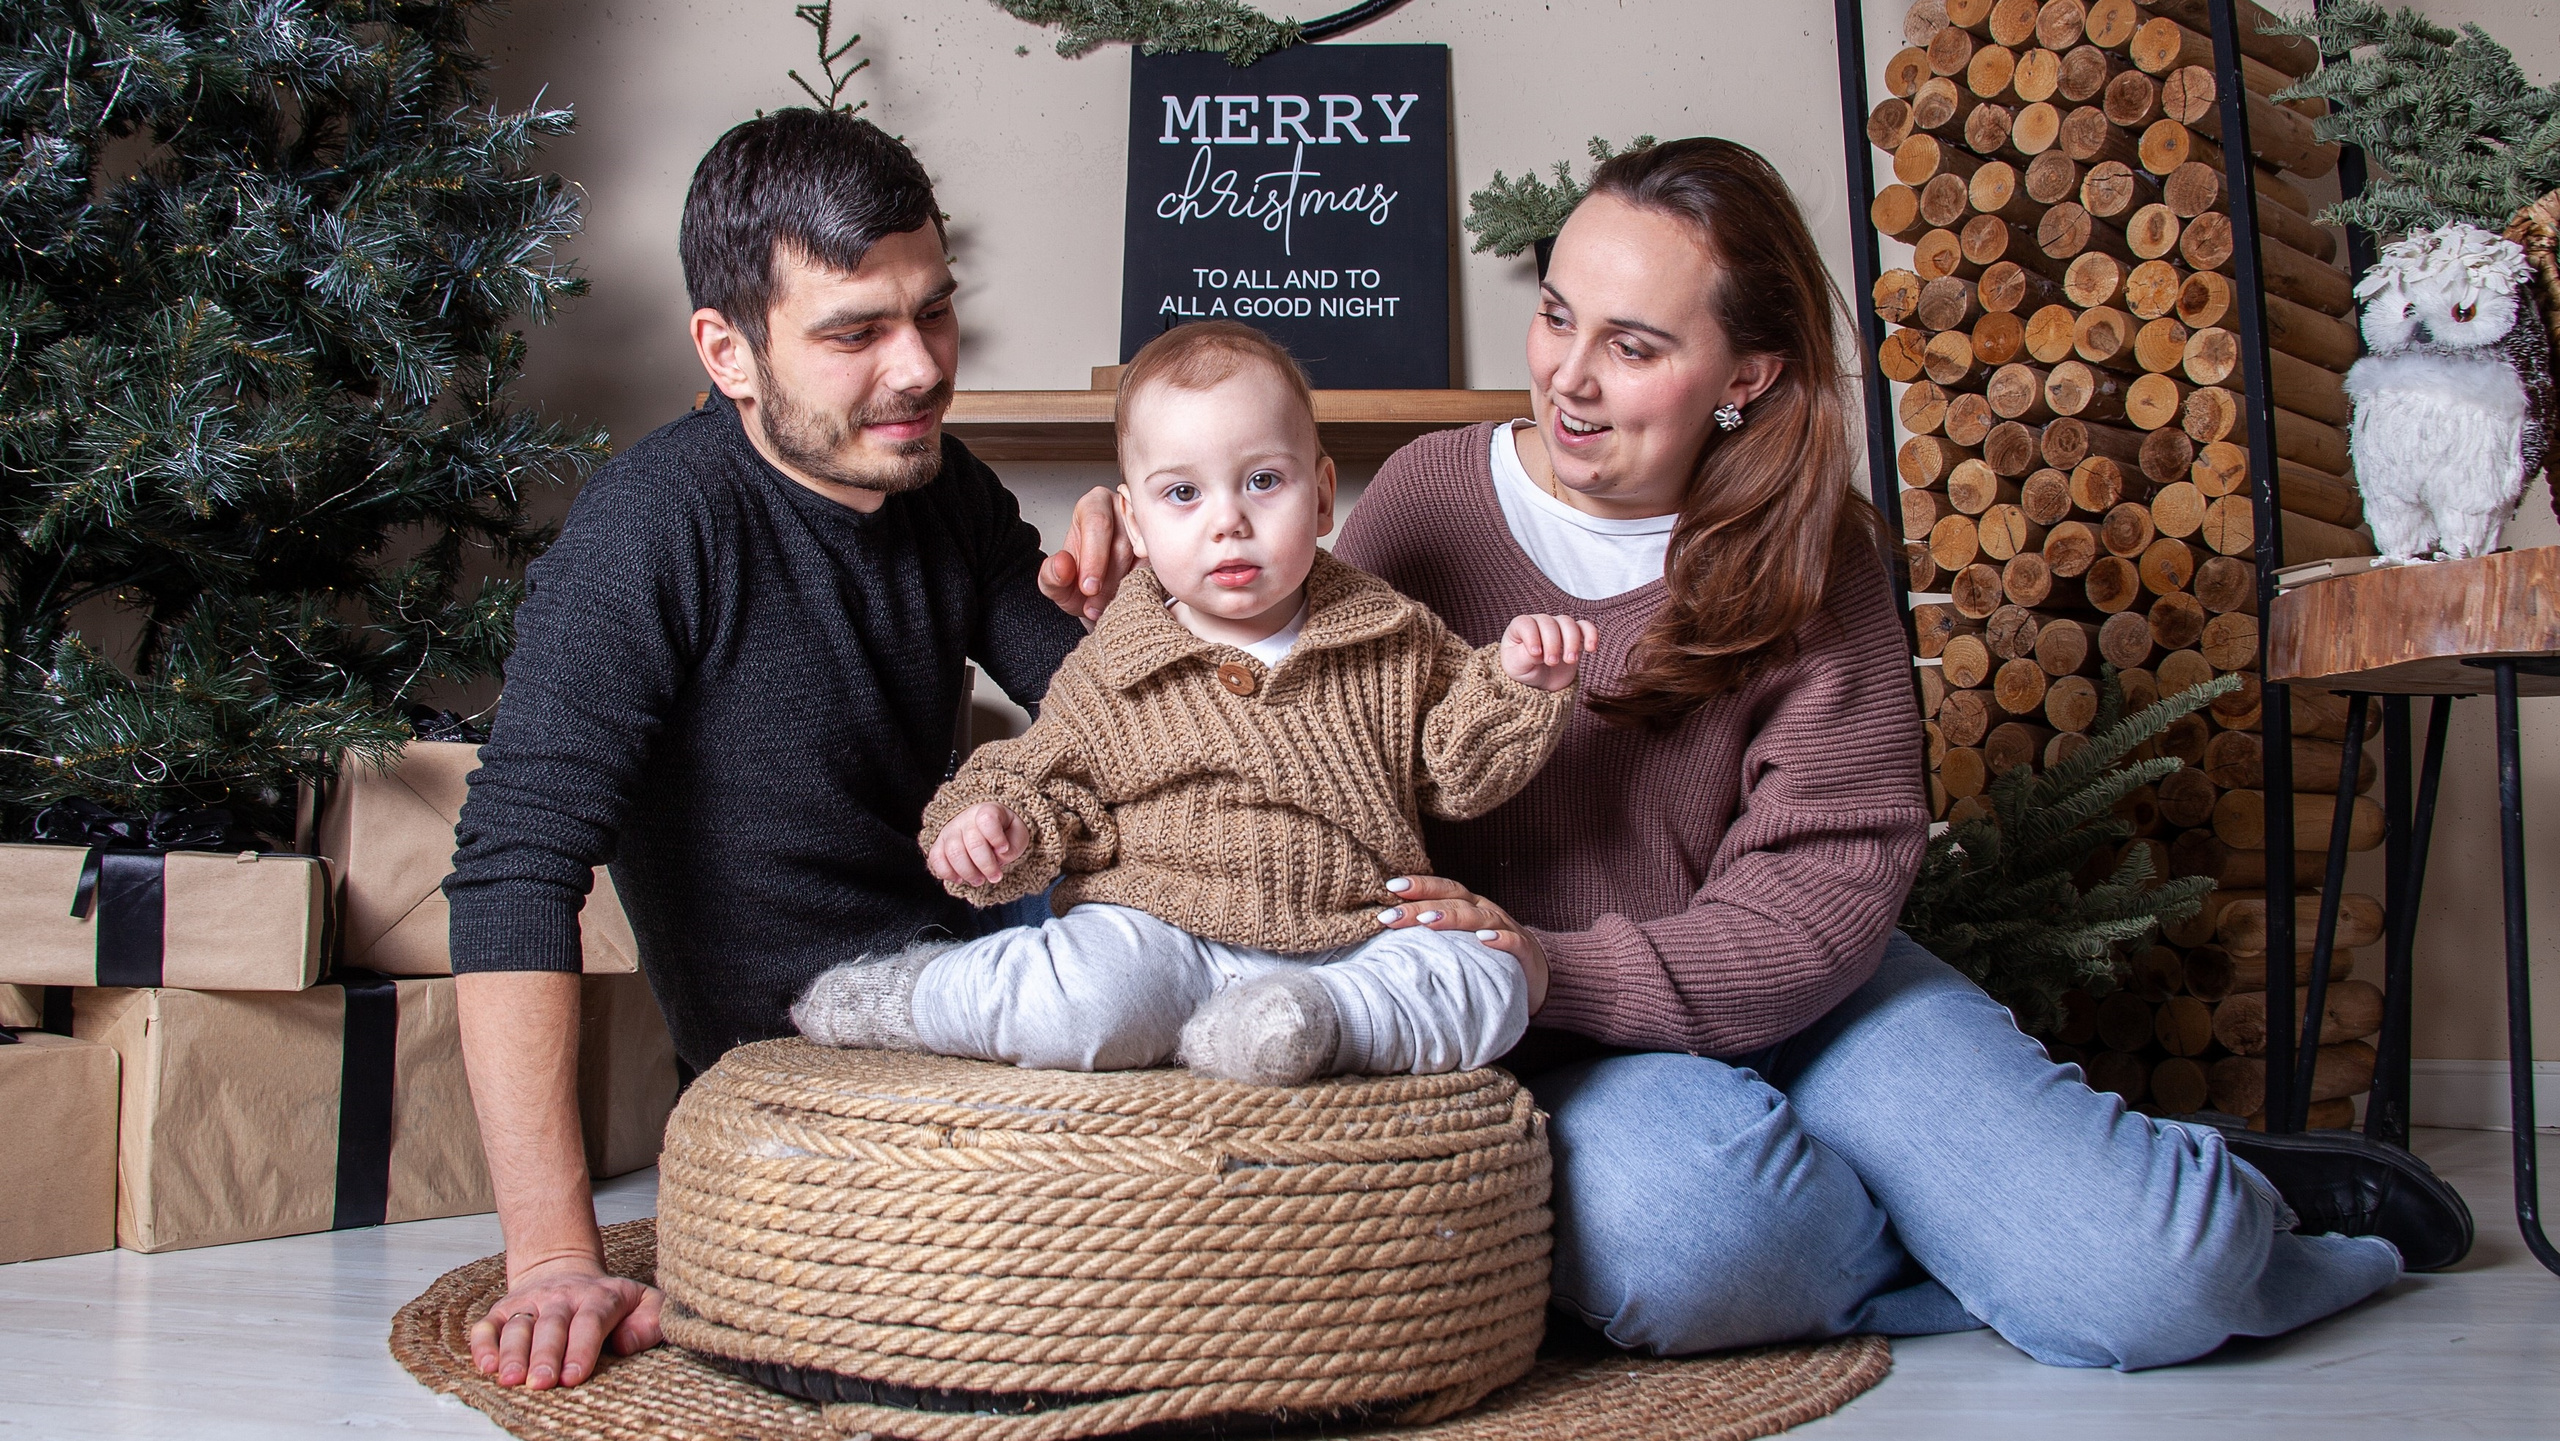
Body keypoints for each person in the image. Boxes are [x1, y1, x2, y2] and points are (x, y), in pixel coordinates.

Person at [1056, 138, 2467, 1370]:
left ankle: (2252, 1212)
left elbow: (1831, 886)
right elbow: (1279, 701)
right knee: (1691, 1249)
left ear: (1749, 375)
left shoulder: (1814, 546)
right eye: (1559, 318)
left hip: (1805, 993)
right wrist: (1145, 576)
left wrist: (1566, 956)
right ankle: (1972, 1223)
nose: (1571, 378)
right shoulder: (1427, 497)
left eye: (1637, 344)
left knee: (2153, 1279)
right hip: (1549, 1035)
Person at [441, 111, 1127, 1393]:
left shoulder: (944, 487)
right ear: (729, 351)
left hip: (990, 964)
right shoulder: (647, 534)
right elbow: (510, 875)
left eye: (933, 312)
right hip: (803, 1064)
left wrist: (1163, 591)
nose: (919, 368)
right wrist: (548, 1258)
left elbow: (1120, 725)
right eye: (855, 332)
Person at [791, 321, 1592, 1085]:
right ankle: (918, 997)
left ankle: (1314, 1022)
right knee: (1081, 1001)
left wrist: (1518, 686)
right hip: (1157, 930)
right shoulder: (1120, 661)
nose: (1228, 521)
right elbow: (1045, 773)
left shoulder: (1390, 634)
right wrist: (996, 820)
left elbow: (1454, 775)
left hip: (1353, 938)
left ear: (1321, 497)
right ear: (1135, 521)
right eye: (1183, 493)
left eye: (1264, 481)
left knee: (1492, 975)